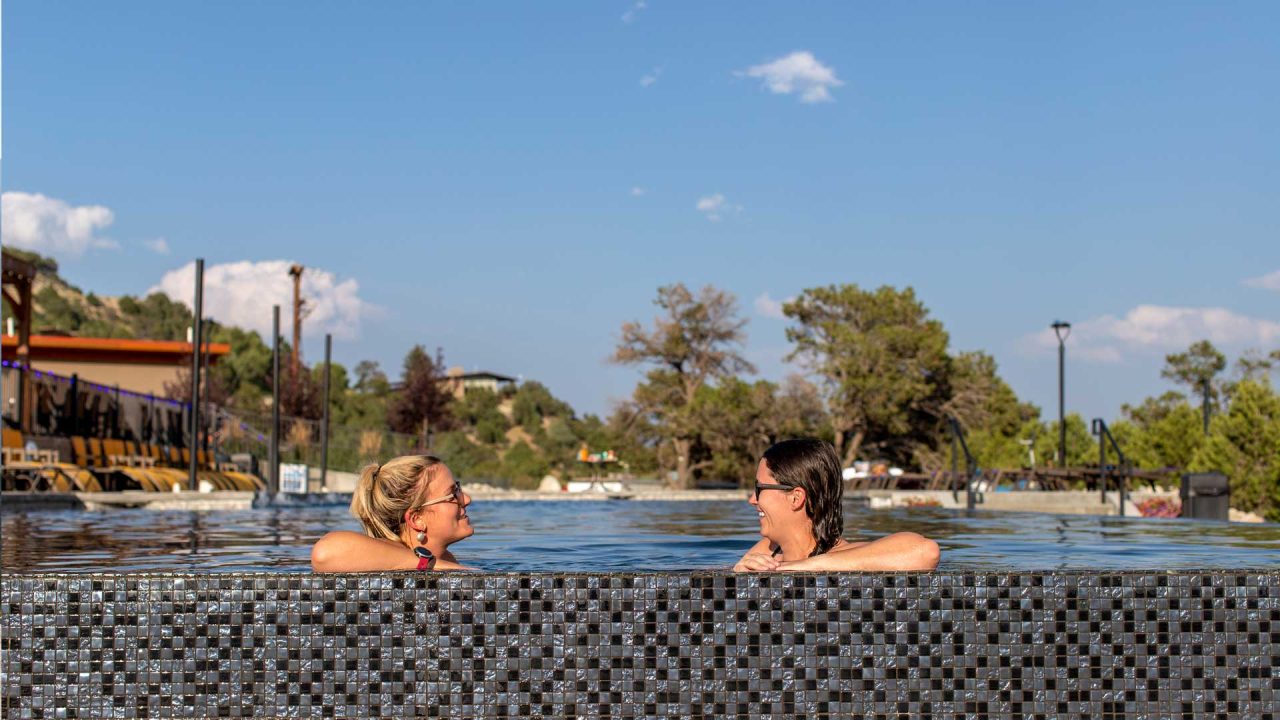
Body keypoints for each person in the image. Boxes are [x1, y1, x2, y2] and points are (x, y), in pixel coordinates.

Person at [734, 438, 940, 572]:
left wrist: (797, 568)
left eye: (759, 488)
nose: (752, 499)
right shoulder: (768, 549)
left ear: (796, 498)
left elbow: (924, 551)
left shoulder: (844, 554)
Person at [311, 454, 473, 572]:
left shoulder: (446, 559)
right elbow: (325, 552)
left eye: (457, 488)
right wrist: (428, 563)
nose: (466, 499)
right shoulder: (394, 555)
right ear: (417, 519)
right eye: (452, 494)